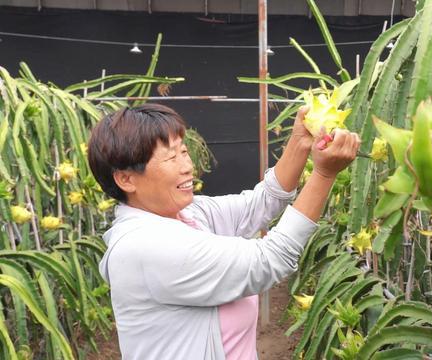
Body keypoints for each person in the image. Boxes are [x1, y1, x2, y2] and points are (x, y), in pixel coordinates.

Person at [88, 103, 361, 359]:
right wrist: (324, 175)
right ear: (126, 179)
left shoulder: (187, 215)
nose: (187, 166)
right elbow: (270, 259)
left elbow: (262, 201)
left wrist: (300, 142)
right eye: (171, 157)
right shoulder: (147, 246)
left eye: (184, 151)